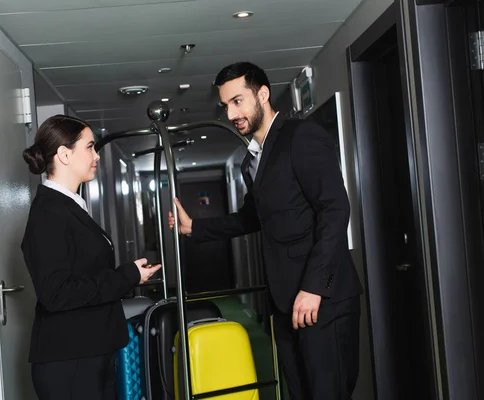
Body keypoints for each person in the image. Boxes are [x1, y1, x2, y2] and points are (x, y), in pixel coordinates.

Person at [168, 62, 362, 400]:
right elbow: (251, 218)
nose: (231, 113)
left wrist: (314, 287)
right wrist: (194, 227)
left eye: (238, 101)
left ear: (263, 94)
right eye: (226, 105)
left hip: (322, 300)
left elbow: (335, 209)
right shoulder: (251, 160)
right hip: (286, 304)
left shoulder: (301, 137)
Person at [21, 114, 161, 399]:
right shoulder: (49, 214)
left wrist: (129, 274)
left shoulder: (68, 206)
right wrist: (126, 276)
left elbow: (84, 275)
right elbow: (57, 293)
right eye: (89, 147)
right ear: (64, 154)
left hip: (88, 351)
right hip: (70, 360)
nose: (96, 155)